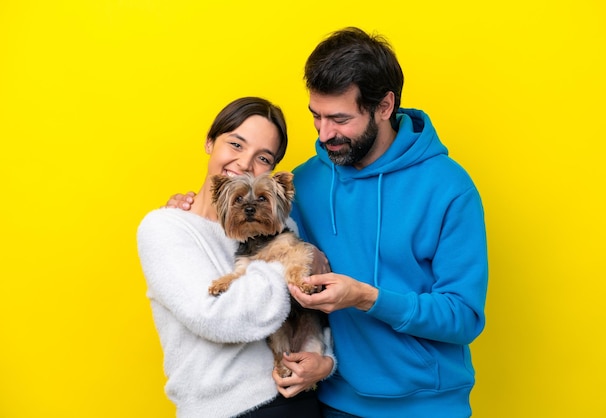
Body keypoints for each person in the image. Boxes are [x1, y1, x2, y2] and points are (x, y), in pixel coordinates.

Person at [169, 27, 488, 417]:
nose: (324, 133)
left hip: (426, 406)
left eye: (339, 118)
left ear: (384, 106)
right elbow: (256, 234)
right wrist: (193, 208)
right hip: (330, 401)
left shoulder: (449, 188)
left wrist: (367, 298)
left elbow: (463, 317)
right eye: (316, 116)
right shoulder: (304, 182)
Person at [138, 96, 335, 418]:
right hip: (225, 410)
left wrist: (324, 362)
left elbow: (312, 307)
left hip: (299, 398)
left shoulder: (282, 224)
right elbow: (214, 317)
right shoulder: (165, 228)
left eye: (263, 158)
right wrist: (292, 261)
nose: (244, 164)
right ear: (209, 141)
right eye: (236, 144)